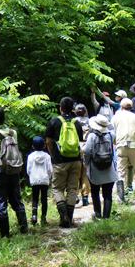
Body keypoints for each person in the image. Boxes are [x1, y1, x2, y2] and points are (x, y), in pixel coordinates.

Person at [0, 107, 28, 237]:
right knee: (17, 199)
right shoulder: (13, 133)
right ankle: (24, 229)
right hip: (14, 170)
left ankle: (5, 234)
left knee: (1, 202)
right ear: (4, 118)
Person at [45, 97, 83, 228]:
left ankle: (63, 216)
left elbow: (49, 141)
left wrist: (53, 155)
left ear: (60, 108)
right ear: (72, 108)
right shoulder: (77, 123)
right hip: (76, 160)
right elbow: (81, 143)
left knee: (57, 188)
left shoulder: (54, 122)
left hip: (59, 162)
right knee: (72, 189)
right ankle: (70, 217)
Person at [112, 98, 135, 203]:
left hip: (121, 146)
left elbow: (113, 132)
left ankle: (121, 198)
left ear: (121, 106)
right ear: (131, 107)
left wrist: (115, 143)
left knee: (121, 172)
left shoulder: (115, 117)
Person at [83, 114, 117, 219]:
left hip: (95, 169)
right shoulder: (111, 135)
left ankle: (97, 214)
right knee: (108, 194)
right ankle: (106, 217)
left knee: (95, 192)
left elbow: (87, 151)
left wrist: (87, 163)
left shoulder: (92, 136)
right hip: (109, 169)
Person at [26, 136, 53, 226]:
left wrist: (32, 176)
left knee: (35, 198)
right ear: (44, 146)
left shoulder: (30, 156)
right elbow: (50, 170)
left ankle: (34, 216)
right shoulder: (47, 156)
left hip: (34, 180)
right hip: (44, 179)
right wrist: (48, 177)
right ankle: (43, 218)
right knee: (44, 199)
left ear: (33, 146)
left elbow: (28, 170)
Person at [74, 103, 91, 207]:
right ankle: (85, 197)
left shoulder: (73, 122)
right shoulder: (90, 122)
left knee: (75, 174)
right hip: (86, 147)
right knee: (85, 174)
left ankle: (74, 196)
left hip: (75, 148)